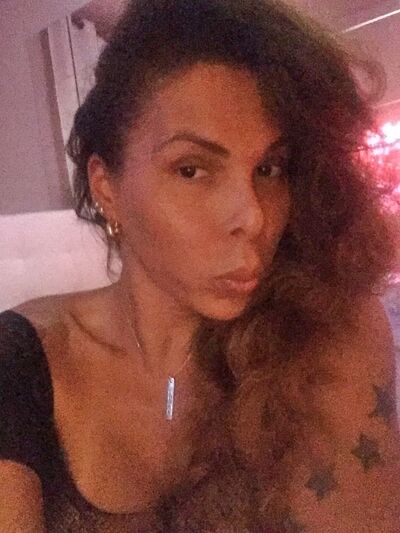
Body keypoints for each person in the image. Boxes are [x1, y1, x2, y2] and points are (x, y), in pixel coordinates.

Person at [1, 0, 400, 531]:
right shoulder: (18, 363)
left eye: (270, 168)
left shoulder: (326, 332)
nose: (253, 217)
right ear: (107, 188)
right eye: (192, 170)